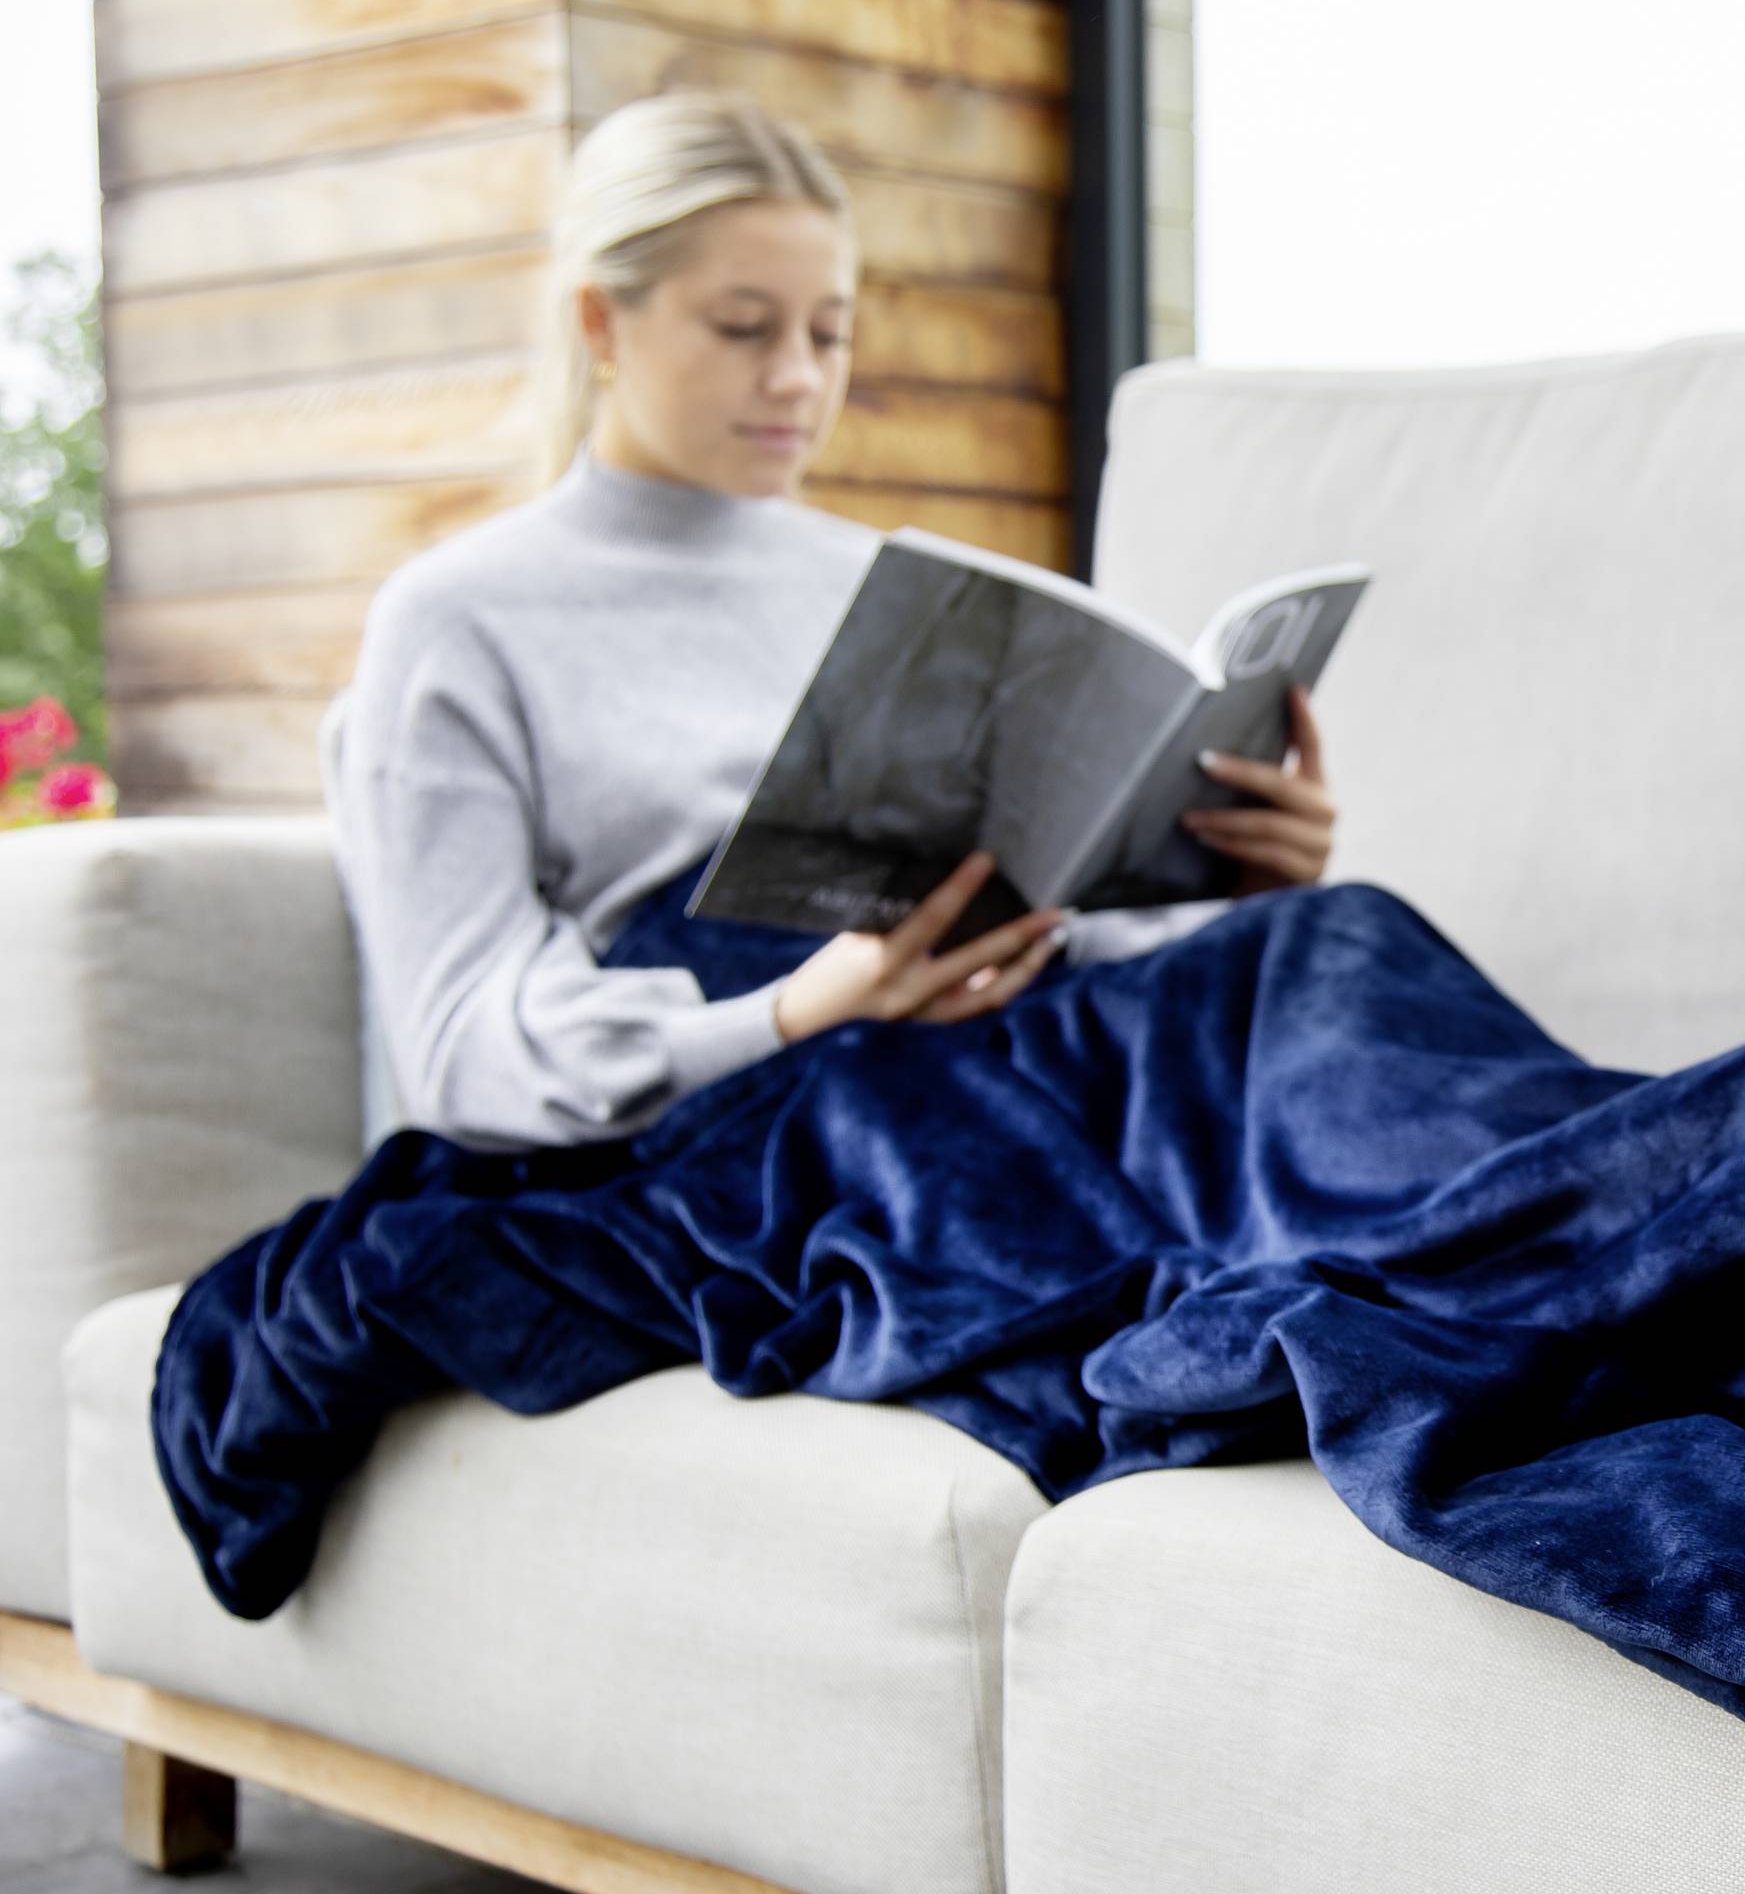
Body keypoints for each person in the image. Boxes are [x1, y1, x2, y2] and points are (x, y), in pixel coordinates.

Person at [318, 89, 1339, 1155]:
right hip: (785, 1115)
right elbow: (457, 1047)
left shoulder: (895, 587)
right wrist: (793, 1015)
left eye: (830, 332)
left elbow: (1048, 923)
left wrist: (1240, 889)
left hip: (1026, 1047)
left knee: (1348, 949)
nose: (798, 377)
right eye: (744, 327)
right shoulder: (458, 619)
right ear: (599, 321)